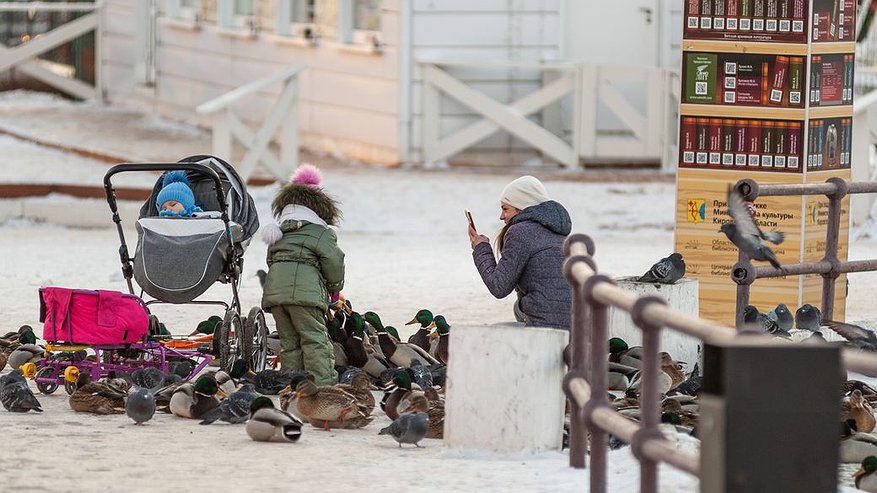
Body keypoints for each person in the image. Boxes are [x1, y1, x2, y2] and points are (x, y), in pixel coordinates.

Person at [260, 164, 344, 385]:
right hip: (305, 297)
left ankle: (292, 386)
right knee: (315, 339)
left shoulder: (279, 233)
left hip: (276, 296)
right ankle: (323, 386)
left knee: (290, 342)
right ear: (320, 208)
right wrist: (334, 289)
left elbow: (271, 262)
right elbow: (334, 261)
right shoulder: (320, 233)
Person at [468, 175, 572, 330]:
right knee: (519, 307)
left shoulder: (520, 232)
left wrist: (481, 248)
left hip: (545, 325)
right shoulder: (559, 232)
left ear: (522, 207)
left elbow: (499, 287)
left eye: (505, 209)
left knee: (516, 310)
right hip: (576, 324)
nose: (501, 216)